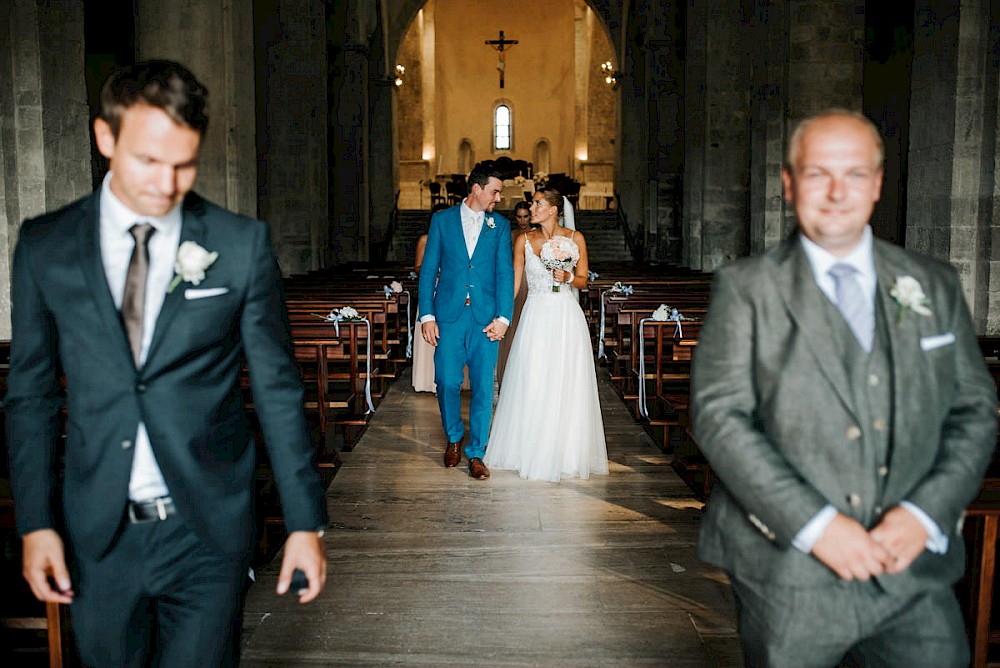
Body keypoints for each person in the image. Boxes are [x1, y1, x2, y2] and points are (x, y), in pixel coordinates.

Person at [5, 60, 328, 666]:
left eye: (183, 164)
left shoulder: (239, 245)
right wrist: (36, 523)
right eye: (148, 161)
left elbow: (279, 390)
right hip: (99, 531)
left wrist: (305, 523)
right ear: (106, 138)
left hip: (207, 526)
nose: (165, 183)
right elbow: (32, 396)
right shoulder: (46, 246)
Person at [690, 109, 998, 667]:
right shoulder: (747, 287)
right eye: (817, 174)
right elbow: (719, 416)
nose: (836, 192)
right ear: (789, 183)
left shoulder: (931, 283)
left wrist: (924, 515)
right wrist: (817, 526)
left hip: (911, 574)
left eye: (854, 173)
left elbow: (974, 410)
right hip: (788, 573)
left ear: (877, 183)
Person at [484, 188, 609, 482]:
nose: (533, 208)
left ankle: (564, 451)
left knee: (565, 379)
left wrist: (567, 277)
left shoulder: (575, 238)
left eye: (538, 204)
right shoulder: (523, 240)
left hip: (565, 316)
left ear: (553, 209)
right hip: (535, 315)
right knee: (533, 377)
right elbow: (514, 283)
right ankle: (526, 447)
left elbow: (583, 280)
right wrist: (501, 315)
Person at [418, 161, 514, 479]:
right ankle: (454, 437)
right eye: (495, 191)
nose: (498, 198)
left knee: (484, 387)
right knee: (446, 381)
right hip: (448, 316)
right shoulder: (442, 221)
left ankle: (477, 453)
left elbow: (504, 273)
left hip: (485, 318)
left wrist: (503, 317)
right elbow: (429, 269)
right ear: (476, 189)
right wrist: (427, 315)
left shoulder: (499, 226)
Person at [412, 205, 469, 393]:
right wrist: (436, 271)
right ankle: (428, 379)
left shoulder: (456, 240)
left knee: (450, 335)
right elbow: (419, 267)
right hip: (434, 288)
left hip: (452, 290)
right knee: (432, 331)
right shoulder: (425, 239)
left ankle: (454, 379)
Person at [496, 199, 534, 385]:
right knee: (513, 325)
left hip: (533, 282)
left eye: (526, 216)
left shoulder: (537, 235)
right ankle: (508, 376)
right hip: (515, 280)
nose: (523, 221)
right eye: (519, 217)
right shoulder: (511, 235)